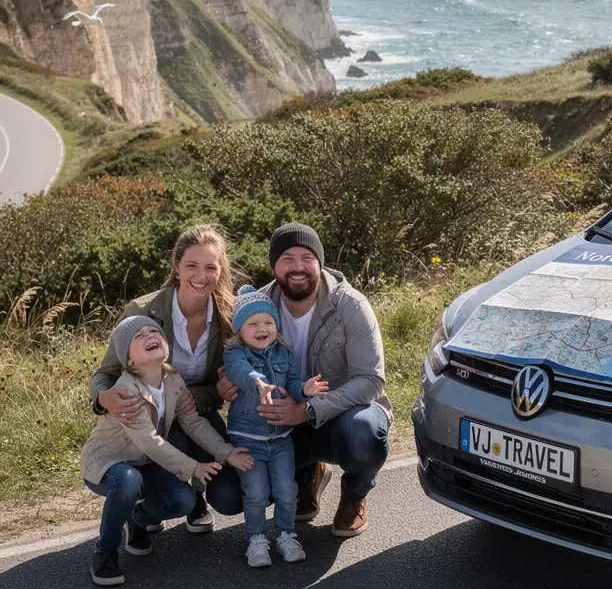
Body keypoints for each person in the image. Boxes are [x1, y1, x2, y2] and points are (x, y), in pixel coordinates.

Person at [217, 222, 391, 537]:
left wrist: (308, 410)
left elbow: (371, 380)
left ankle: (355, 493)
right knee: (228, 494)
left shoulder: (350, 305)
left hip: (342, 418)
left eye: (306, 257)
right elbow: (237, 359)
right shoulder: (256, 307)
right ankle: (307, 477)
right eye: (287, 258)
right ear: (273, 266)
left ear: (319, 262)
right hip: (280, 426)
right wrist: (227, 384)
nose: (297, 266)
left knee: (364, 435)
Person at [81, 316, 254, 587]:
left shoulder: (172, 380)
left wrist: (226, 452)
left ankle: (137, 518)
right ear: (127, 359)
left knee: (182, 501)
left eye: (154, 332)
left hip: (145, 462)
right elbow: (150, 441)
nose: (150, 336)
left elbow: (194, 423)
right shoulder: (126, 391)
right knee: (128, 481)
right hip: (109, 464)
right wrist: (194, 468)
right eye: (139, 337)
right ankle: (105, 552)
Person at [90, 224, 242, 530]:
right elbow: (105, 374)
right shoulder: (142, 311)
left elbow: (221, 384)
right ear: (176, 268)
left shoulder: (230, 316)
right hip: (150, 416)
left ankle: (195, 494)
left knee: (230, 497)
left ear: (220, 271)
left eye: (210, 267)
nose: (201, 276)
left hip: (198, 413)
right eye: (191, 266)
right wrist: (102, 398)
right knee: (171, 448)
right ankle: (145, 511)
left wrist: (221, 391)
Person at [223, 286, 329, 567]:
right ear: (240, 330)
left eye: (268, 322)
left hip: (281, 439)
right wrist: (258, 382)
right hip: (248, 439)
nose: (262, 328)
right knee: (255, 493)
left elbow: (292, 382)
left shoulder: (284, 352)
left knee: (286, 489)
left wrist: (304, 389)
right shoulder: (235, 353)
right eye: (253, 323)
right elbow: (240, 373)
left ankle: (286, 535)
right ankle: (257, 540)